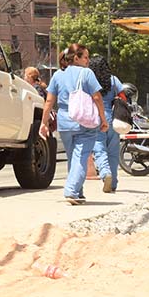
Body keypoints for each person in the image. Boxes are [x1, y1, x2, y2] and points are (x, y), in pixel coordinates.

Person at [40, 43, 108, 205]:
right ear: (76, 58)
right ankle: (71, 190)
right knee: (81, 157)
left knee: (74, 158)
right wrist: (103, 119)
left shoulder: (57, 75)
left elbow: (49, 101)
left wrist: (44, 123)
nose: (88, 60)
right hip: (84, 121)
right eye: (85, 57)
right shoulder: (87, 73)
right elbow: (97, 98)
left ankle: (78, 191)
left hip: (64, 122)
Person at [88, 55, 125, 194]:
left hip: (95, 118)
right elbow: (123, 97)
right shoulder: (114, 80)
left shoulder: (89, 81)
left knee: (99, 149)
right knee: (113, 152)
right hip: (113, 119)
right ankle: (113, 182)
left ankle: (105, 173)